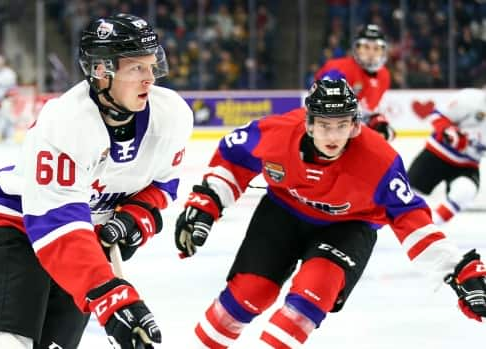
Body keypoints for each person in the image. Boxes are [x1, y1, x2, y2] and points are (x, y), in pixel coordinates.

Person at [174, 79, 486, 348]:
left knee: (312, 295)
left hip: (348, 227)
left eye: (342, 125)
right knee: (247, 295)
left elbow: (411, 220)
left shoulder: (379, 161)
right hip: (282, 214)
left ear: (355, 124)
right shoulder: (278, 134)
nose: (332, 136)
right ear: (308, 122)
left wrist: (456, 269)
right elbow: (233, 155)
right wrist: (208, 200)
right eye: (324, 124)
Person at [0, 13, 193, 349]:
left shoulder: (172, 117)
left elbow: (162, 185)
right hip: (19, 232)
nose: (149, 79)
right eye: (136, 68)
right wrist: (112, 298)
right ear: (101, 71)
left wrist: (135, 219)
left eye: (151, 65)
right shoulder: (66, 121)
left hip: (85, 245)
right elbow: (56, 223)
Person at [408, 88, 486, 225]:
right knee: (404, 197)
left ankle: (429, 227)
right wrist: (449, 132)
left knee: (466, 191)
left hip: (468, 165)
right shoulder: (470, 98)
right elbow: (437, 115)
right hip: (436, 155)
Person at [316, 24, 394, 141]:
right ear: (356, 48)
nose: (371, 53)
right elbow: (321, 106)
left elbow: (366, 112)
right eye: (366, 47)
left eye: (376, 48)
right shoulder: (337, 68)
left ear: (384, 52)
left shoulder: (384, 75)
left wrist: (379, 124)